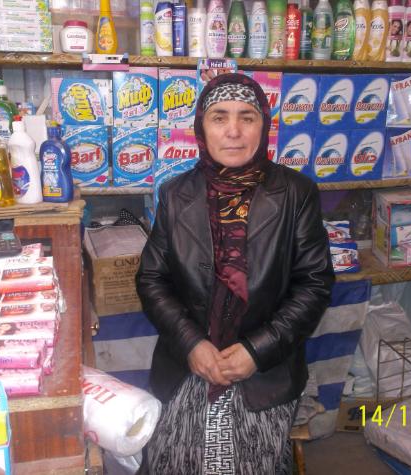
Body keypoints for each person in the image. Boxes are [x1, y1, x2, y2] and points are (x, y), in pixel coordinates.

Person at [136, 73, 335, 473]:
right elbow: (152, 279)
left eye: (247, 117)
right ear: (201, 127)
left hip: (266, 368)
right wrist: (191, 344)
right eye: (219, 117)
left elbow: (314, 284)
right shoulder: (176, 194)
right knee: (173, 458)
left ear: (264, 126)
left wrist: (256, 351)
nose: (233, 131)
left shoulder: (295, 194)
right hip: (188, 362)